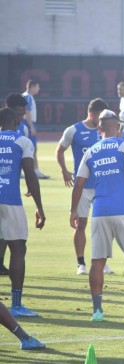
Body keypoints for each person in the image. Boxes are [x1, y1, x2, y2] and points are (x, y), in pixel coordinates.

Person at [70, 109, 124, 323]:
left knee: (97, 262)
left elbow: (78, 183)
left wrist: (74, 211)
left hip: (99, 212)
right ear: (118, 127)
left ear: (99, 129)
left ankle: (97, 312)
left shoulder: (91, 151)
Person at [56, 98, 113, 275]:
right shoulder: (74, 130)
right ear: (93, 114)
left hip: (102, 185)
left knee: (103, 224)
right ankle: (81, 264)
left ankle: (102, 262)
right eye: (102, 116)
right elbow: (60, 150)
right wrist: (64, 170)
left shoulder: (104, 131)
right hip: (83, 186)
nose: (104, 121)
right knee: (81, 224)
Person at [0, 107, 45, 317]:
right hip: (10, 201)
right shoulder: (22, 141)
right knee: (18, 249)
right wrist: (39, 207)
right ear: (15, 121)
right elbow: (30, 174)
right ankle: (16, 305)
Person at [0, 93, 30, 276]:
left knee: (5, 230)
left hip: (10, 189)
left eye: (23, 114)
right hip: (8, 196)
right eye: (19, 114)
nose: (21, 118)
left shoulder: (21, 131)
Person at [22, 80, 49, 179]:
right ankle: (35, 171)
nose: (39, 89)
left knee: (27, 148)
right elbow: (27, 112)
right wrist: (31, 126)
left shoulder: (26, 96)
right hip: (28, 124)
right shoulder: (27, 97)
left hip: (26, 123)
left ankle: (27, 171)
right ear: (32, 87)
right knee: (32, 148)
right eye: (37, 86)